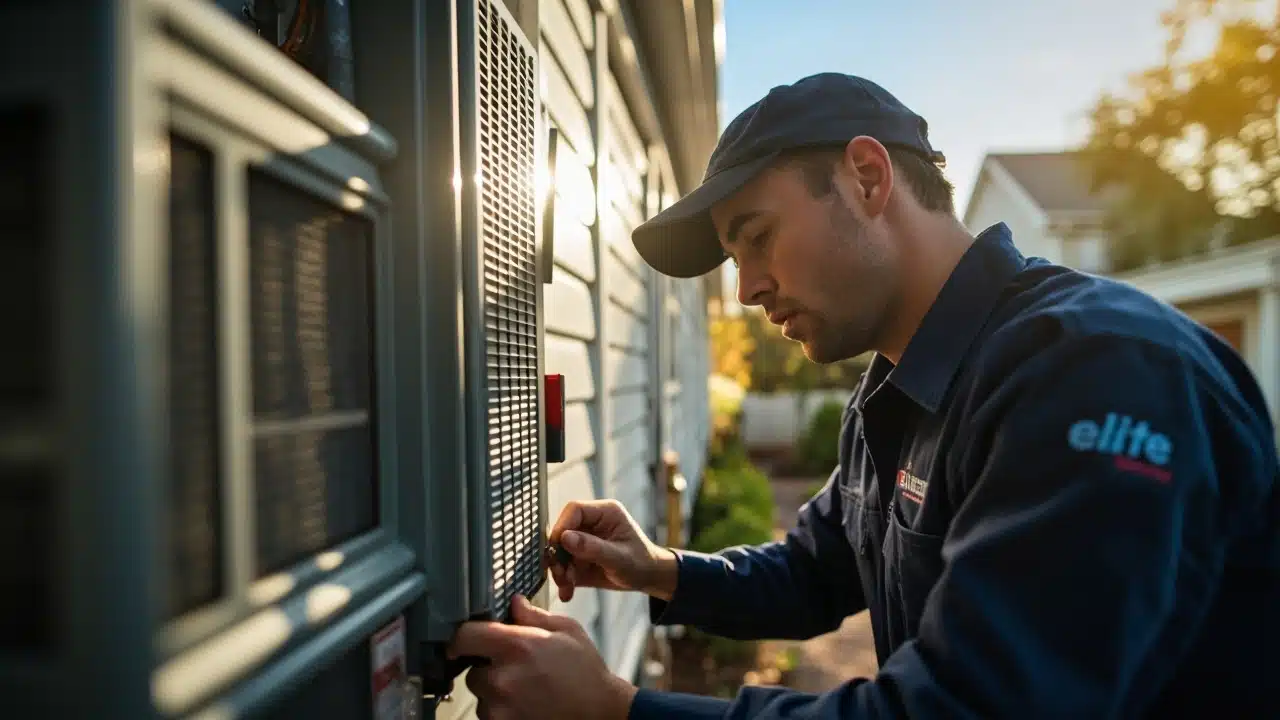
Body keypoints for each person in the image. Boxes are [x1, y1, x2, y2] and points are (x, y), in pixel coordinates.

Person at [447, 72, 1280, 719]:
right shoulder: (896, 386)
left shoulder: (1093, 368)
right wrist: (658, 570)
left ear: (868, 178)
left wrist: (619, 709)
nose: (745, 289)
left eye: (757, 237)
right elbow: (817, 572)